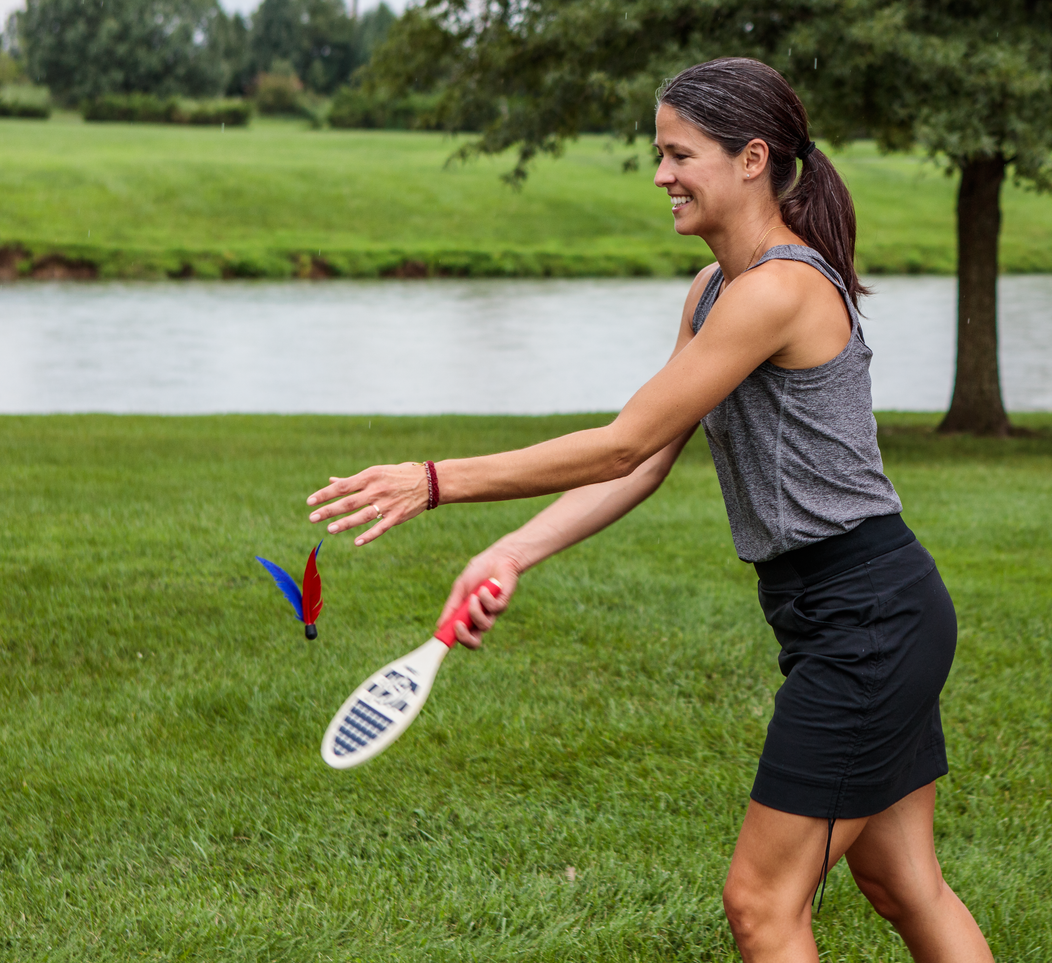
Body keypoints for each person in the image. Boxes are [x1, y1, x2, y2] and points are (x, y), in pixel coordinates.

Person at [304, 57, 994, 963]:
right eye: (657, 153)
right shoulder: (712, 292)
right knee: (902, 880)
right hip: (857, 608)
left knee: (760, 903)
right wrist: (511, 549)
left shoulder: (777, 290)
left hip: (866, 613)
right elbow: (646, 462)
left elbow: (624, 440)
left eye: (679, 154)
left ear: (752, 158)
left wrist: (436, 479)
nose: (660, 175)